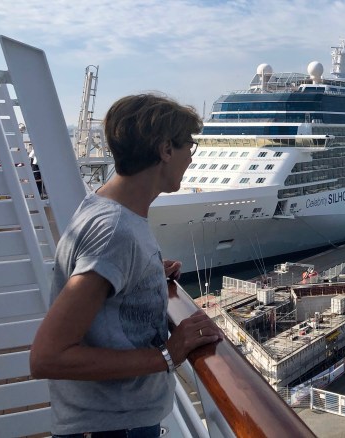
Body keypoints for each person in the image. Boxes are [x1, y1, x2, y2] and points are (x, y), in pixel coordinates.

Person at [30, 94, 222, 437]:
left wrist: (145, 275)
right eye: (189, 147)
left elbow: (102, 289)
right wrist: (169, 353)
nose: (191, 159)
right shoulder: (115, 232)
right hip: (113, 427)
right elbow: (48, 357)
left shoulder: (102, 206)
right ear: (166, 149)